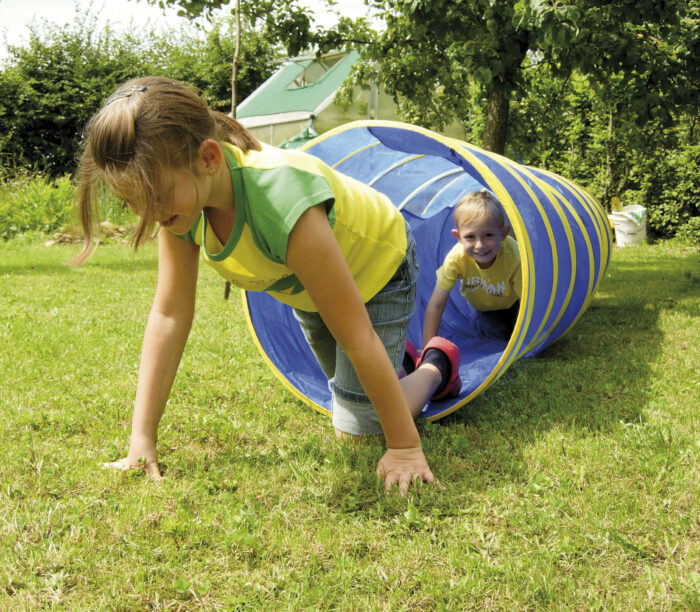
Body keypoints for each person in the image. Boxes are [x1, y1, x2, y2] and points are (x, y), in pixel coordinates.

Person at [72, 76, 462, 496]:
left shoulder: (279, 198)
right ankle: (394, 363)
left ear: (207, 158)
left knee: (360, 428)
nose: (147, 213)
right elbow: (169, 314)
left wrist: (404, 447)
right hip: (311, 291)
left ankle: (435, 366)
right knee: (359, 399)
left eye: (156, 196)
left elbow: (355, 334)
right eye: (132, 201)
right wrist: (141, 440)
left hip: (378, 267)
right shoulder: (176, 208)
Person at [423, 190, 521, 347]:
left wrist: (524, 338)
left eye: (488, 235)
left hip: (517, 302)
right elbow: (436, 304)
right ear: (458, 237)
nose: (480, 245)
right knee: (495, 337)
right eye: (470, 237)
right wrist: (428, 346)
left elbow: (528, 299)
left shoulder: (513, 256)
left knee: (516, 336)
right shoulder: (456, 259)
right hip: (486, 310)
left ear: (503, 233)